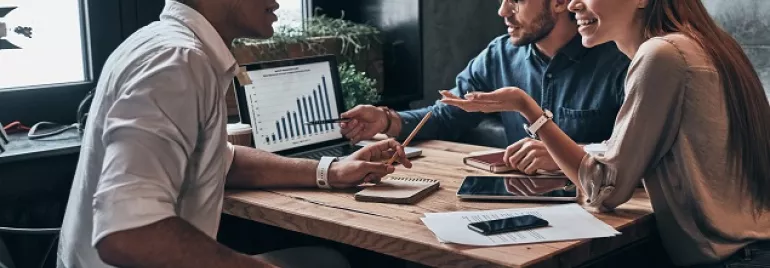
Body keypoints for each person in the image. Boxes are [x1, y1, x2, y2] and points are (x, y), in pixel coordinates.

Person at [56, 0, 413, 267]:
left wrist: (330, 171)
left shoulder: (165, 44)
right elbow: (128, 234)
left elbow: (222, 160)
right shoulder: (176, 62)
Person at [441, 0, 770, 266]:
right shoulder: (708, 44)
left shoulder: (661, 55)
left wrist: (528, 109)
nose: (573, 5)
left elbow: (605, 190)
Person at [339, 0, 630, 175]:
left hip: (604, 213)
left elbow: (636, 157)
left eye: (517, 0)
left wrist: (571, 154)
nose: (503, 10)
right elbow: (447, 115)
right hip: (521, 205)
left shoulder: (621, 60)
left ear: (558, 2)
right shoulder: (499, 55)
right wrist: (387, 120)